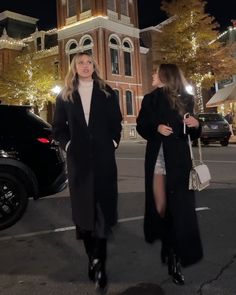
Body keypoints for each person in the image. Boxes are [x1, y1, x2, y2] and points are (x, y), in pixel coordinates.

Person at [52, 52, 122, 292]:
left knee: (102, 211)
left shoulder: (106, 91)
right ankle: (91, 255)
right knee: (84, 213)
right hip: (78, 161)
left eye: (89, 62)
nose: (84, 66)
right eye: (80, 62)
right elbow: (58, 128)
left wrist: (113, 142)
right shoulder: (65, 95)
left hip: (104, 159)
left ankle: (99, 262)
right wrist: (68, 145)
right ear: (74, 67)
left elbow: (117, 122)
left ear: (95, 66)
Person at [136, 63, 203, 285]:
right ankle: (167, 246)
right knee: (161, 209)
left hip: (179, 163)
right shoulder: (149, 99)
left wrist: (195, 124)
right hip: (157, 162)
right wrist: (155, 128)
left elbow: (191, 133)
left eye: (155, 72)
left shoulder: (186, 98)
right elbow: (141, 125)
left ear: (166, 75)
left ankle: (175, 259)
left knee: (179, 212)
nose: (152, 75)